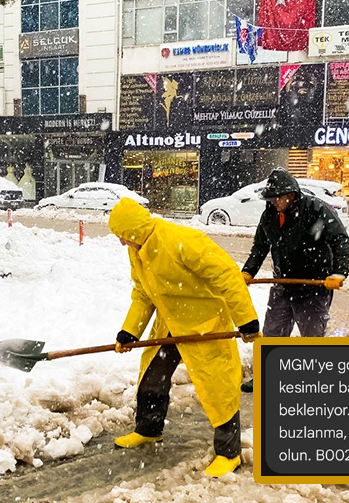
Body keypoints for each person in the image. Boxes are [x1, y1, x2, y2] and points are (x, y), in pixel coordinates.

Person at [108, 197, 261, 478]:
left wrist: (246, 319)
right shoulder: (137, 248)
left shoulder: (182, 240)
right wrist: (131, 330)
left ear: (135, 230)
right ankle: (148, 430)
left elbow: (227, 276)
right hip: (169, 324)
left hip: (205, 324)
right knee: (152, 377)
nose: (121, 243)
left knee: (219, 387)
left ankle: (229, 454)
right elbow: (143, 293)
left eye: (123, 236)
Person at [240, 168, 349, 393]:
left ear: (291, 194)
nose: (274, 203)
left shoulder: (315, 209)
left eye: (278, 198)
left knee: (311, 337)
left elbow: (340, 239)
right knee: (273, 333)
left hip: (313, 285)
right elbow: (261, 246)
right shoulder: (270, 214)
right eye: (271, 199)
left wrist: (339, 272)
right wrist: (248, 271)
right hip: (283, 283)